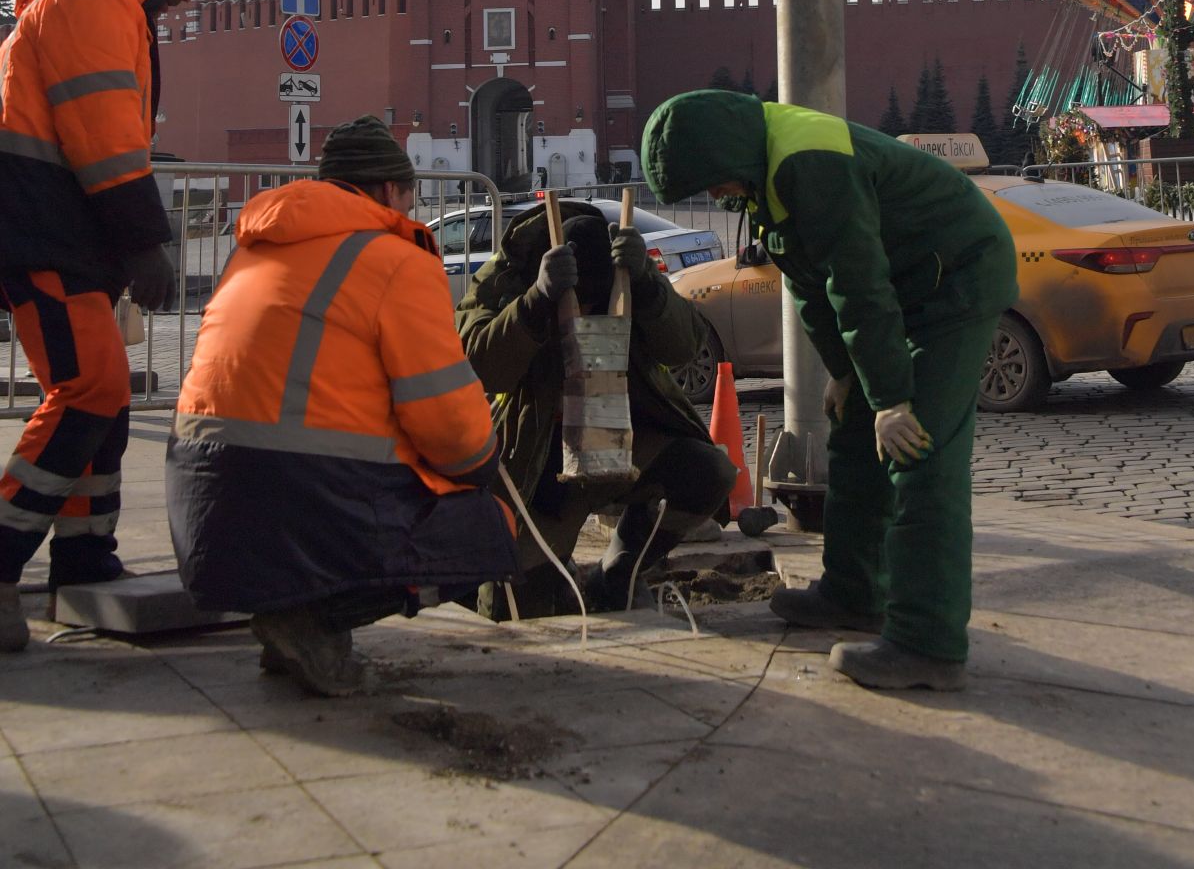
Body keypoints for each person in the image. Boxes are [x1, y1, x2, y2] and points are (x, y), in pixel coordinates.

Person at [641, 92, 1017, 692]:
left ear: (731, 157)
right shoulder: (765, 173)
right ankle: (853, 593)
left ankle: (929, 643)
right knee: (852, 434)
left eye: (715, 185)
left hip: (954, 281)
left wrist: (893, 398)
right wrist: (846, 373)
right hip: (902, 287)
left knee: (918, 449)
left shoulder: (807, 164)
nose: (715, 198)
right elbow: (810, 283)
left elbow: (857, 280)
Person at [166, 114, 517, 696]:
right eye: (409, 195)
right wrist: (481, 463)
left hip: (203, 520)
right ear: (387, 191)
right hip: (299, 498)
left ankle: (292, 624)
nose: (411, 211)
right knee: (487, 527)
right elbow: (449, 423)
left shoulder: (253, 251)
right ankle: (311, 622)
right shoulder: (397, 260)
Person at [0, 0, 204, 653]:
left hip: (57, 229)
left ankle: (85, 559)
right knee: (91, 388)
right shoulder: (94, 0)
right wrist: (141, 240)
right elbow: (104, 131)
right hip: (45, 229)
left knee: (101, 393)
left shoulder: (101, 0)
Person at [456, 199, 737, 617]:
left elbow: (685, 346)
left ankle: (621, 571)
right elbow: (475, 363)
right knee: (513, 607)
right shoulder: (510, 274)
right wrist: (534, 303)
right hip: (540, 460)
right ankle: (551, 569)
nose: (587, 320)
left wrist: (647, 286)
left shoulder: (622, 269)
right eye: (579, 311)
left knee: (707, 472)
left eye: (597, 309)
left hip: (627, 442)